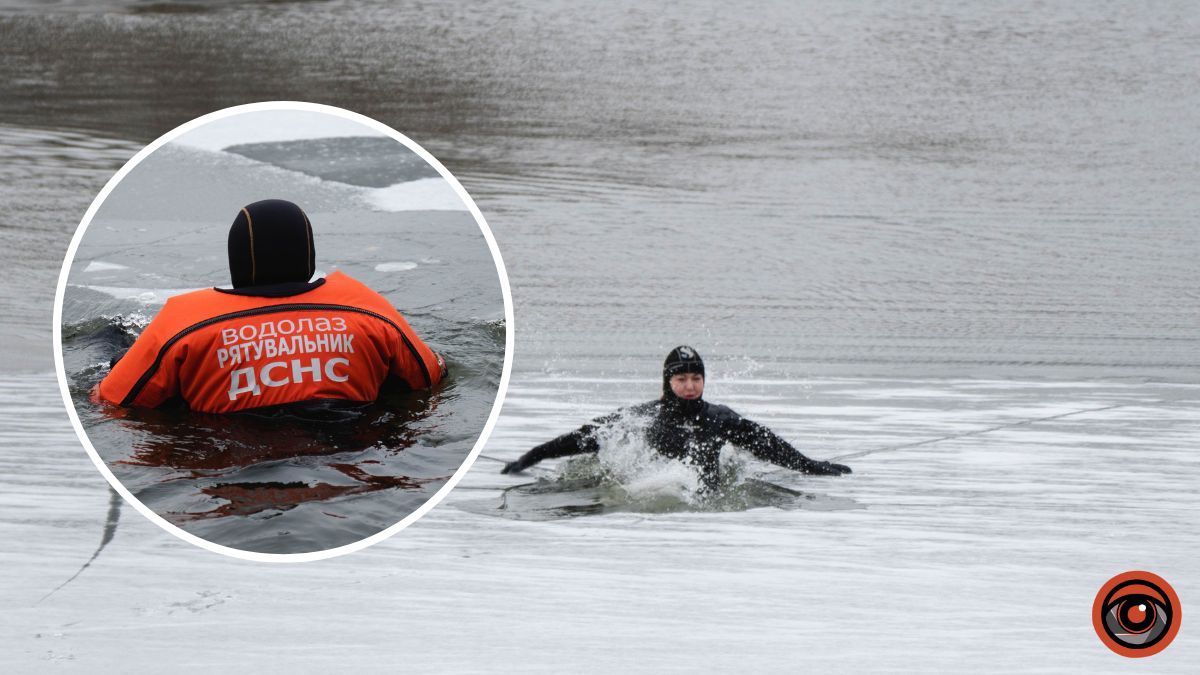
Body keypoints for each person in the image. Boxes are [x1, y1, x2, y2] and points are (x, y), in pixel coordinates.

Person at [96, 198, 446, 414]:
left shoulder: (182, 325)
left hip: (222, 459)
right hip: (353, 451)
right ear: (308, 253)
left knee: (111, 343)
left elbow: (108, 401)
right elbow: (433, 375)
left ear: (237, 259)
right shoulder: (369, 311)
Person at [501, 346, 850, 487]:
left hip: (704, 491)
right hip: (652, 486)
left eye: (696, 378)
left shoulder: (721, 418)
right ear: (667, 381)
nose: (690, 386)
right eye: (681, 379)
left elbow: (770, 446)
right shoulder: (640, 418)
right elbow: (583, 438)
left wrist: (812, 466)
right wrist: (533, 456)